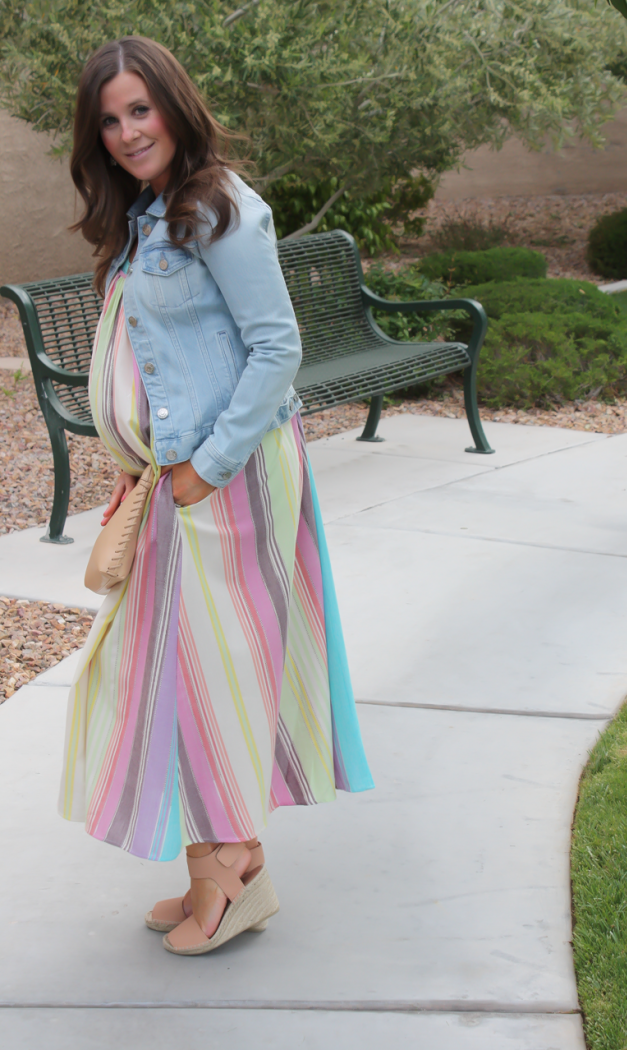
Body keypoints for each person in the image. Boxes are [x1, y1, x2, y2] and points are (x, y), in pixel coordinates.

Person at [59, 35, 373, 957]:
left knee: (216, 673)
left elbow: (278, 351)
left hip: (223, 487)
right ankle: (222, 869)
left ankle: (229, 869)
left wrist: (205, 468)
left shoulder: (222, 205)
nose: (125, 132)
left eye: (139, 110)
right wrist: (141, 462)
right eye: (109, 120)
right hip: (173, 485)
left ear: (174, 104)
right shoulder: (149, 214)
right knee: (181, 676)